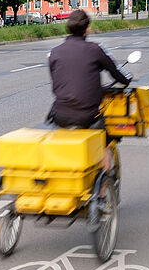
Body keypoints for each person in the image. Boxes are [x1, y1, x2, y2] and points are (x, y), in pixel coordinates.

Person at [47, 9, 133, 172]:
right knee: (105, 142)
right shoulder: (95, 49)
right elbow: (117, 72)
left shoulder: (55, 52)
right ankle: (103, 191)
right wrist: (127, 79)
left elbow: (59, 81)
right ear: (87, 29)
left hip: (60, 116)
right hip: (87, 116)